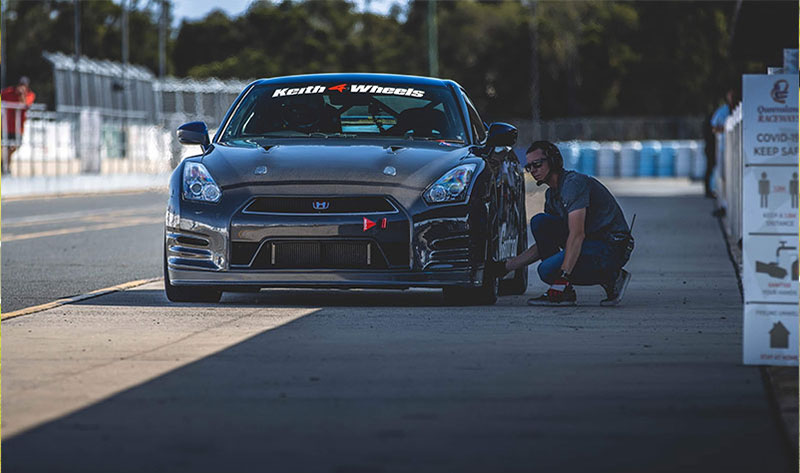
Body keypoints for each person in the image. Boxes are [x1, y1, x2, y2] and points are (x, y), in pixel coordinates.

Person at [489, 141, 633, 306]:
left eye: (537, 164)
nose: (533, 170)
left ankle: (611, 277)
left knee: (546, 270)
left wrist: (563, 276)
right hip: (590, 242)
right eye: (529, 167)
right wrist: (506, 266)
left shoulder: (573, 184)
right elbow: (544, 244)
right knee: (540, 223)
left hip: (612, 245)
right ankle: (565, 292)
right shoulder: (552, 196)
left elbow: (577, 234)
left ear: (553, 161)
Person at [1, 76, 36, 174]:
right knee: (5, 146)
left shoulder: (29, 94)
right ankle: (6, 168)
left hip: (18, 128)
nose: (21, 87)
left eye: (24, 85)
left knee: (14, 146)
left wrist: (21, 95)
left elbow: (26, 105)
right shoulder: (8, 92)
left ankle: (4, 163)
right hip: (5, 126)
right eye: (20, 85)